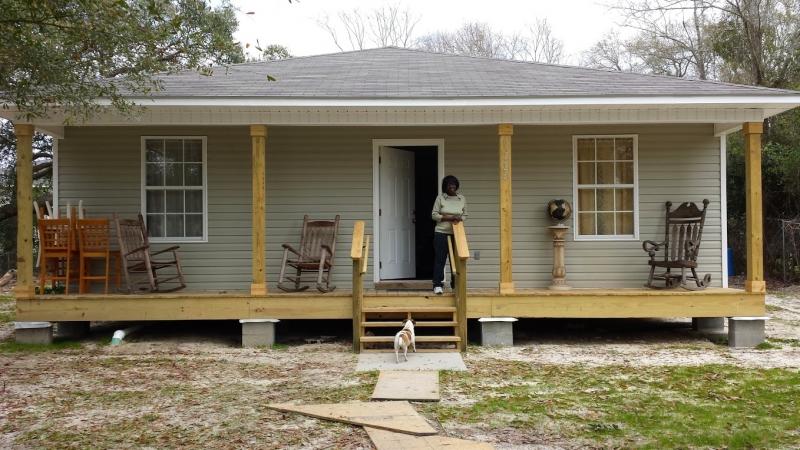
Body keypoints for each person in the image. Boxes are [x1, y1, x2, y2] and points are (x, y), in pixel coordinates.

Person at [431, 175, 467, 295]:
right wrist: (449, 218)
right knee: (440, 259)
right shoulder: (440, 198)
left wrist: (459, 219)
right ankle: (437, 285)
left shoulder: (461, 198)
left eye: (454, 184)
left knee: (456, 261)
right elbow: (434, 215)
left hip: (457, 234)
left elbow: (465, 215)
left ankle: (455, 285)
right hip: (441, 232)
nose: (452, 186)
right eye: (449, 184)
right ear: (445, 187)